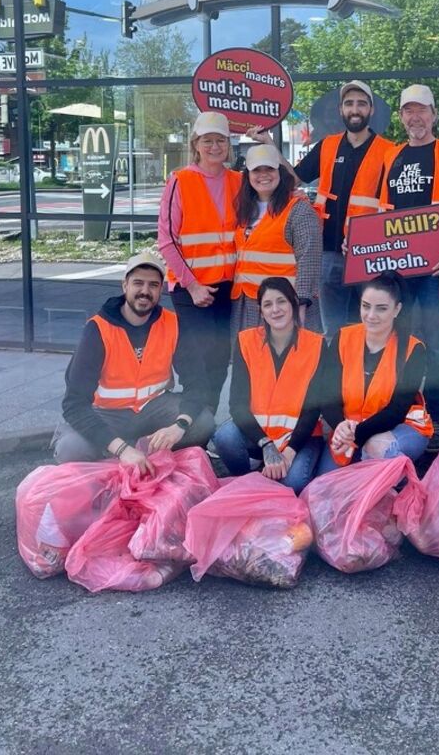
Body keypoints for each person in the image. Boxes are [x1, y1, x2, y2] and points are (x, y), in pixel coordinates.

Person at [53, 252, 214, 473]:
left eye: (153, 285)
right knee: (71, 450)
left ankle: (145, 453)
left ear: (160, 290)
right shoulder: (98, 329)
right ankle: (121, 454)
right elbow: (73, 404)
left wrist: (179, 426)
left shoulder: (173, 324)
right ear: (124, 285)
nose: (145, 291)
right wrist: (122, 450)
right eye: (138, 283)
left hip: (153, 407)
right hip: (107, 412)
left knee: (203, 423)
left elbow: (198, 383)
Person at [379, 84, 439, 450]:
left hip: (435, 271)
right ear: (401, 117)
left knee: (436, 348)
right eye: (408, 111)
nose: (415, 117)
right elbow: (382, 214)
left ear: (434, 115)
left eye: (422, 110)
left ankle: (435, 415)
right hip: (398, 272)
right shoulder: (393, 155)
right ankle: (401, 410)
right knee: (397, 345)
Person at [291, 80, 394, 337]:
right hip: (329, 252)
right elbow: (292, 178)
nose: (355, 109)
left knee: (373, 328)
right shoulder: (327, 146)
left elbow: (394, 207)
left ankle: (368, 375)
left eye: (361, 104)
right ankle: (338, 375)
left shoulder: (389, 151)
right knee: (333, 331)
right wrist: (268, 146)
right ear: (341, 110)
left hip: (370, 256)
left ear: (371, 110)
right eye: (349, 104)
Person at [158, 111, 240, 413]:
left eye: (220, 140)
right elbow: (167, 240)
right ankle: (191, 425)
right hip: (191, 291)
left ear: (228, 145)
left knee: (219, 363)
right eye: (208, 141)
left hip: (227, 289)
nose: (215, 147)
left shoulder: (239, 181)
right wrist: (193, 286)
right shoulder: (180, 181)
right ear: (196, 144)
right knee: (197, 364)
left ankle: (202, 428)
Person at [212, 278, 325, 494]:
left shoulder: (316, 345)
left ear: (294, 303)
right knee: (224, 436)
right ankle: (248, 480)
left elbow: (315, 407)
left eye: (281, 301)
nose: (276, 310)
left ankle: (276, 471)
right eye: (268, 304)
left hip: (301, 438)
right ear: (261, 312)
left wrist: (290, 451)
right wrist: (266, 444)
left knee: (293, 483)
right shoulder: (246, 341)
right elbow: (237, 404)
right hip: (259, 436)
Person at [317, 273, 431, 473]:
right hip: (350, 427)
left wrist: (356, 436)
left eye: (381, 309)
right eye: (366, 306)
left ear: (397, 310)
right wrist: (340, 426)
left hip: (399, 426)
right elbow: (327, 395)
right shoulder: (343, 338)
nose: (371, 315)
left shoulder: (414, 349)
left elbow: (397, 410)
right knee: (326, 483)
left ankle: (395, 477)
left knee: (378, 449)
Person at [230, 144, 322, 338]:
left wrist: (302, 303)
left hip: (285, 306)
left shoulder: (299, 210)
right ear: (248, 175)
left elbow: (309, 259)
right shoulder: (244, 209)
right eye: (257, 170)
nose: (263, 175)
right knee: (252, 363)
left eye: (269, 169)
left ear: (280, 172)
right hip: (248, 304)